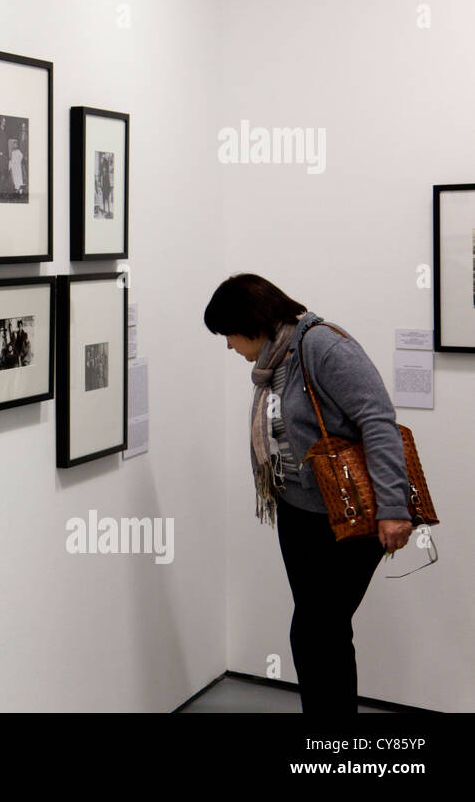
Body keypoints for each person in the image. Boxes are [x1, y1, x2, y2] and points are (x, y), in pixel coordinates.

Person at [204, 273, 413, 713]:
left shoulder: (323, 346)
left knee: (319, 630)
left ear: (253, 323)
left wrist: (394, 507)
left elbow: (378, 421)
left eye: (228, 334)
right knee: (319, 631)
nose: (228, 346)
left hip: (351, 518)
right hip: (298, 512)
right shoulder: (274, 363)